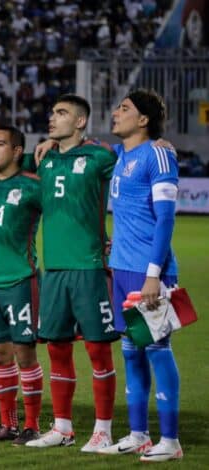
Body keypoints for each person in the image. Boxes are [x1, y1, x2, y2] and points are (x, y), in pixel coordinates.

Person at [24, 95, 119, 452]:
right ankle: (62, 428)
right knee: (58, 349)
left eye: (61, 113)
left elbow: (131, 169)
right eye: (52, 112)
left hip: (89, 268)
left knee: (98, 351)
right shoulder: (44, 158)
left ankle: (103, 430)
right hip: (55, 272)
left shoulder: (99, 156)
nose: (52, 118)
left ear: (80, 122)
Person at [98, 89, 183, 462]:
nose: (116, 112)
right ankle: (138, 434)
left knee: (157, 350)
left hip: (150, 271)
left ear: (144, 120)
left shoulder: (158, 155)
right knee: (132, 352)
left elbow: (165, 218)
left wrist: (153, 275)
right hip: (122, 269)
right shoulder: (121, 155)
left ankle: (171, 440)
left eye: (125, 108)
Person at [0, 126, 43, 445]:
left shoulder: (32, 186)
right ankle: (8, 424)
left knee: (24, 355)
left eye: (0, 144)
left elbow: (61, 212)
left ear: (17, 152)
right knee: (0, 355)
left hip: (20, 281)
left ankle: (32, 425)